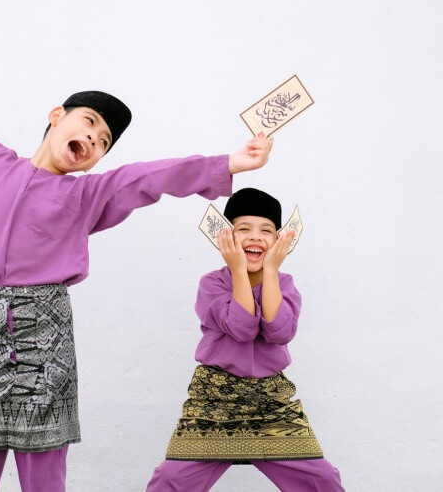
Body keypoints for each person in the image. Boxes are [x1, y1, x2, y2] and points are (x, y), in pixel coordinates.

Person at [0, 12, 273, 492]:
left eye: (102, 141)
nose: (91, 138)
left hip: (45, 338)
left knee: (43, 473)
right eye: (88, 123)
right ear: (56, 117)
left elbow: (147, 178)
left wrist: (230, 162)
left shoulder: (87, 196)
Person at [146, 188, 344, 491]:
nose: (255, 236)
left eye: (266, 230)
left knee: (322, 478)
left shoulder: (285, 284)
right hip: (214, 401)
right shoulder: (212, 283)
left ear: (278, 241)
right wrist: (239, 269)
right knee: (171, 479)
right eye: (243, 229)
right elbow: (242, 328)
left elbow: (279, 332)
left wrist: (271, 272)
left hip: (271, 403)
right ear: (225, 237)